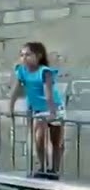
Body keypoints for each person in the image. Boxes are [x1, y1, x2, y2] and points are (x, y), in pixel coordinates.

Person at [9, 41, 66, 179]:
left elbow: (48, 93)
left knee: (56, 141)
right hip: (38, 109)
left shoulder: (44, 71)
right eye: (22, 55)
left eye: (28, 55)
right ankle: (43, 167)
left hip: (54, 106)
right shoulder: (21, 70)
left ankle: (55, 170)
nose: (24, 58)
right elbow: (16, 90)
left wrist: (53, 112)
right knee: (39, 139)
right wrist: (11, 106)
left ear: (38, 55)